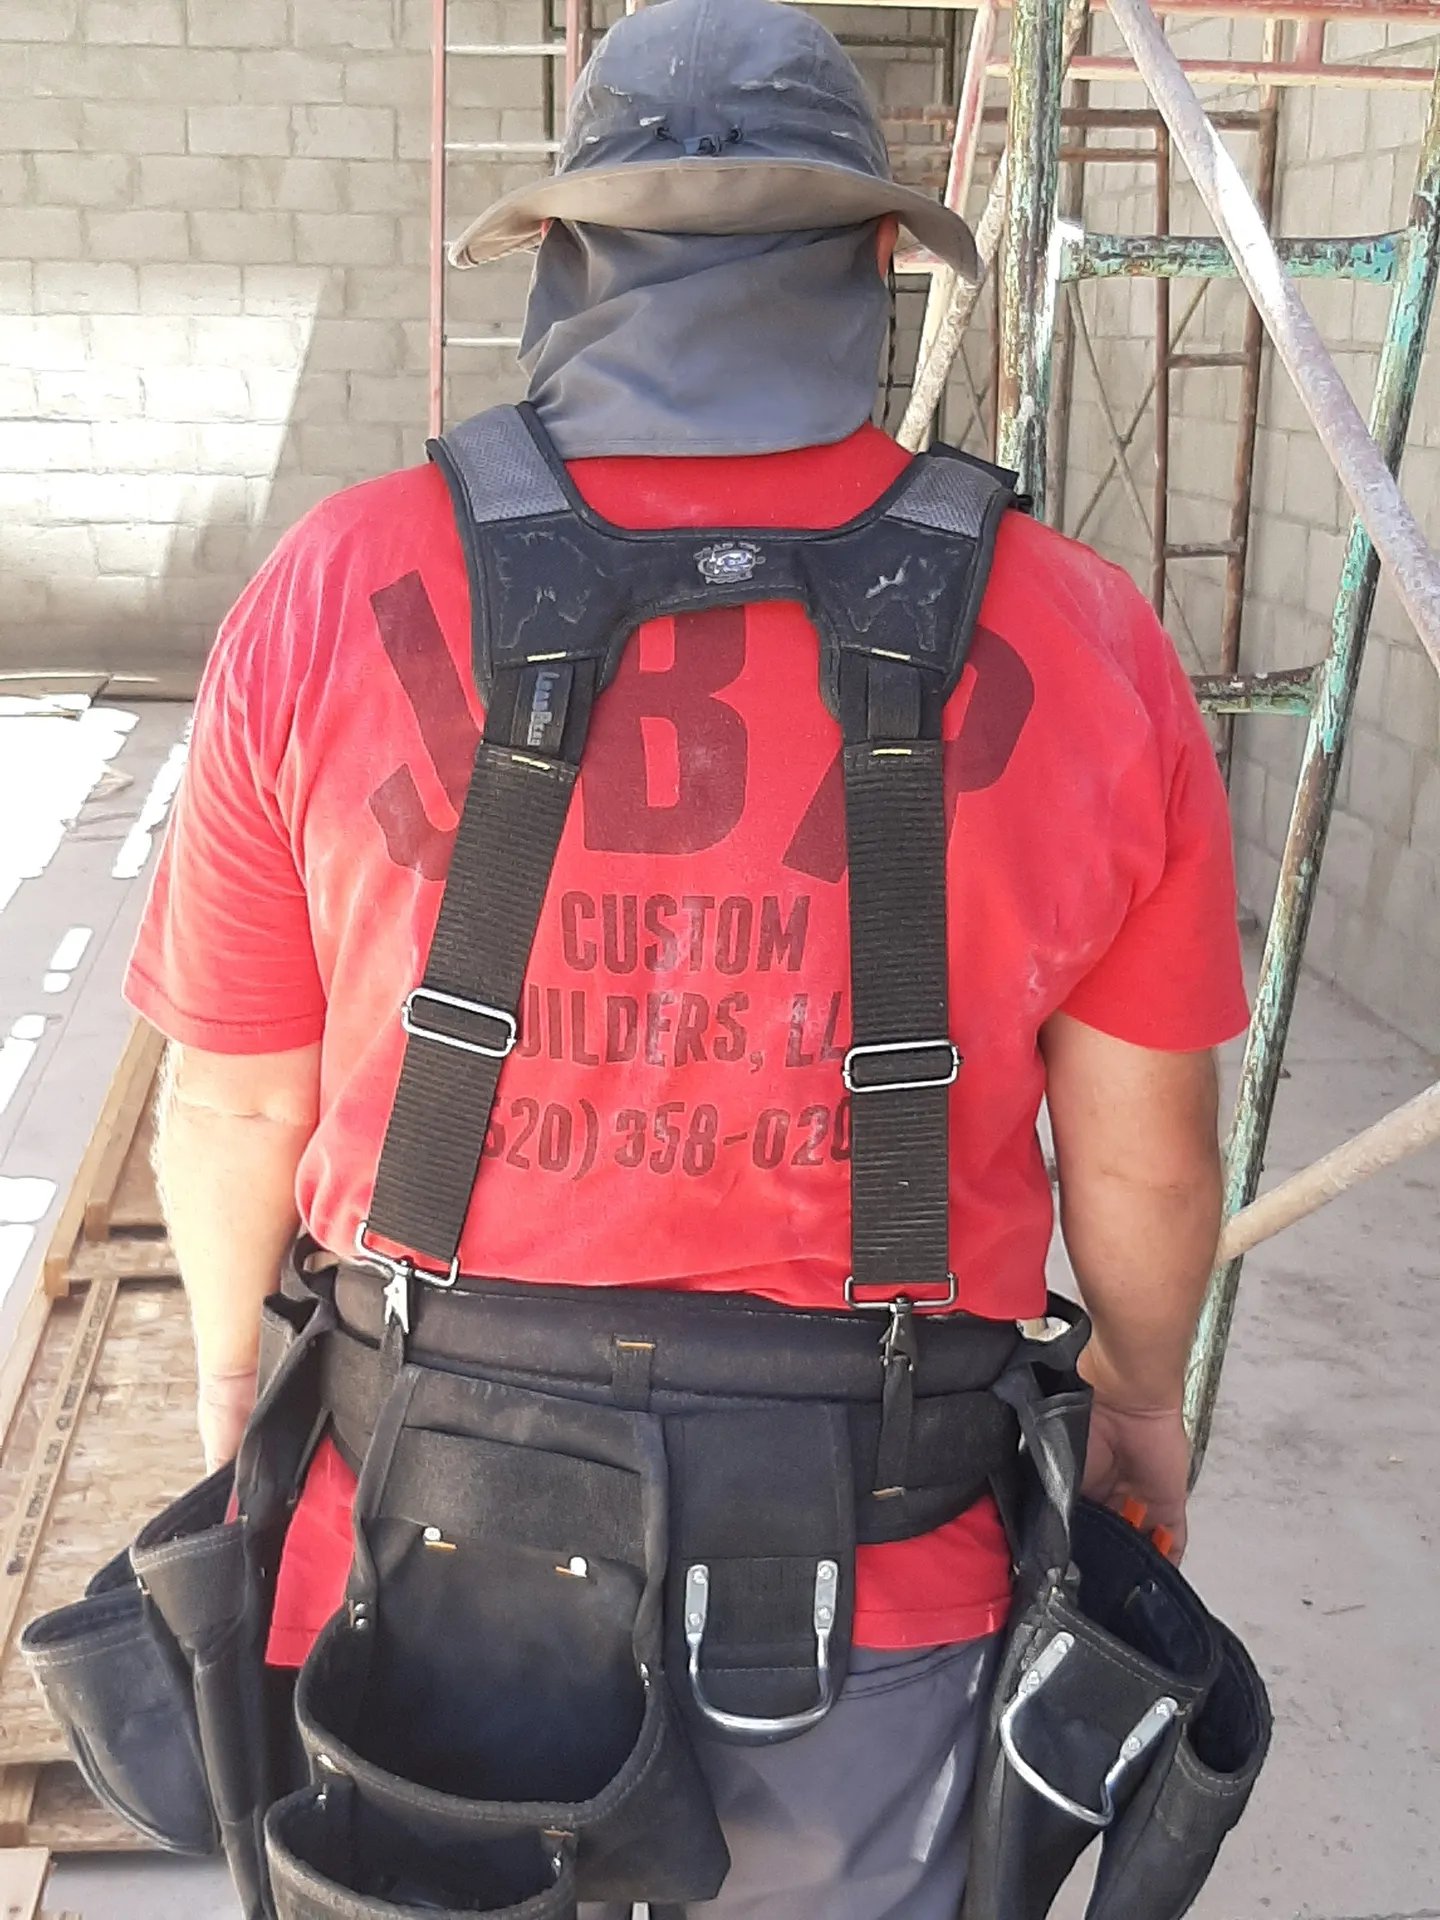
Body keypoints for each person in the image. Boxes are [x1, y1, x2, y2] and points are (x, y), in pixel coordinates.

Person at [123, 0, 1248, 1912]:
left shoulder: (335, 588)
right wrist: (1141, 1394)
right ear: (880, 261)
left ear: (570, 252)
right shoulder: (1087, 638)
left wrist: (238, 1380)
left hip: (419, 1537)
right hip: (874, 1580)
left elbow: (233, 1097)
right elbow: (1139, 1157)